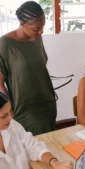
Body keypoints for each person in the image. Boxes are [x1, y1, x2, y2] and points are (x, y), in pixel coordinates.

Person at [0, 1, 56, 135]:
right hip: (24, 108)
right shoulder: (5, 44)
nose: (41, 32)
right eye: (37, 28)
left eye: (43, 26)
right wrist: (9, 110)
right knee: (30, 147)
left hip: (47, 102)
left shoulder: (37, 38)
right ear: (22, 23)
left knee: (48, 143)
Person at [0, 91, 73, 169]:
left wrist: (54, 163)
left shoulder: (12, 126)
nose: (10, 118)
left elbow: (33, 146)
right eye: (4, 116)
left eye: (10, 111)